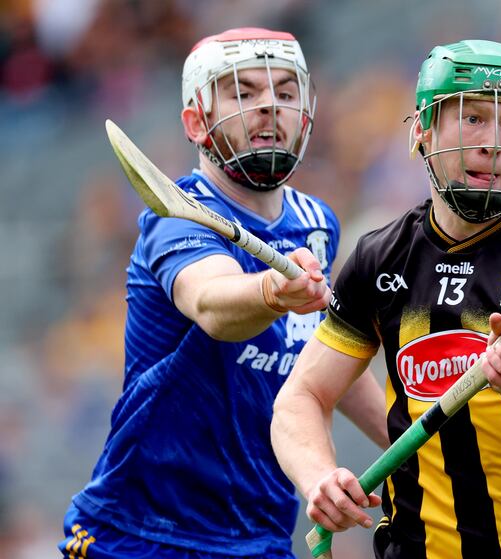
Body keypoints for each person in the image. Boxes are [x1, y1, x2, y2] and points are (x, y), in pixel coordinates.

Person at [272, 39, 501, 559]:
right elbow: (300, 397)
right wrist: (318, 478)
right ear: (422, 130)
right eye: (473, 118)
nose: (494, 143)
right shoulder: (381, 258)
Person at [59, 28, 388, 559]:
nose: (269, 107)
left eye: (285, 92)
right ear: (196, 122)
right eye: (243, 93)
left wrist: (424, 442)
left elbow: (328, 363)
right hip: (141, 533)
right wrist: (271, 291)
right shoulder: (176, 217)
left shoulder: (317, 224)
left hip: (259, 536)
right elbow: (212, 306)